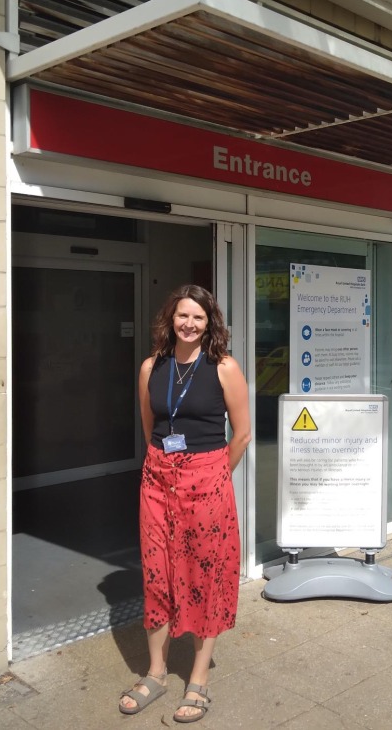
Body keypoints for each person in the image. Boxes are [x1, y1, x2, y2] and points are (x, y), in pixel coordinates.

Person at [119, 284, 251, 723]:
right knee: (157, 572)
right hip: (158, 479)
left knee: (204, 573)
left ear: (209, 322)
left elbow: (243, 434)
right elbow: (149, 423)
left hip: (207, 481)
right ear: (170, 320)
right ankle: (156, 671)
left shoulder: (224, 368)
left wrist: (214, 475)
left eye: (198, 317)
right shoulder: (150, 368)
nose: (189, 324)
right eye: (182, 316)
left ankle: (198, 678)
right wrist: (163, 468)